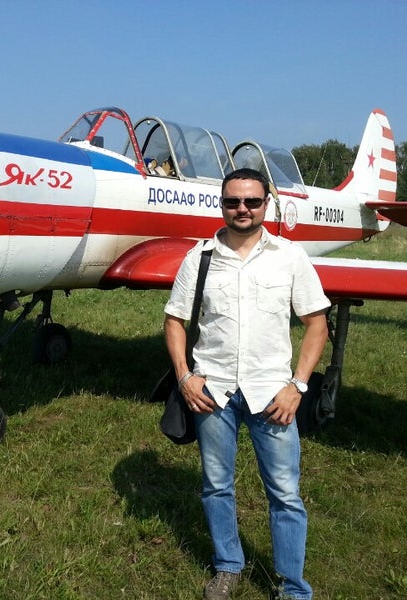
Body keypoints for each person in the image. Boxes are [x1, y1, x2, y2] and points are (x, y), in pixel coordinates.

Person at [163, 168, 330, 600]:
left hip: (272, 393)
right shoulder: (199, 258)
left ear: (265, 205)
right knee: (216, 485)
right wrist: (184, 377)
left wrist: (297, 387)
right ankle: (228, 566)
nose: (243, 209)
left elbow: (316, 324)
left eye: (252, 201)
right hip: (213, 391)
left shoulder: (290, 256)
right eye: (233, 201)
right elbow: (175, 320)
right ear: (221, 204)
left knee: (285, 494)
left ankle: (292, 587)